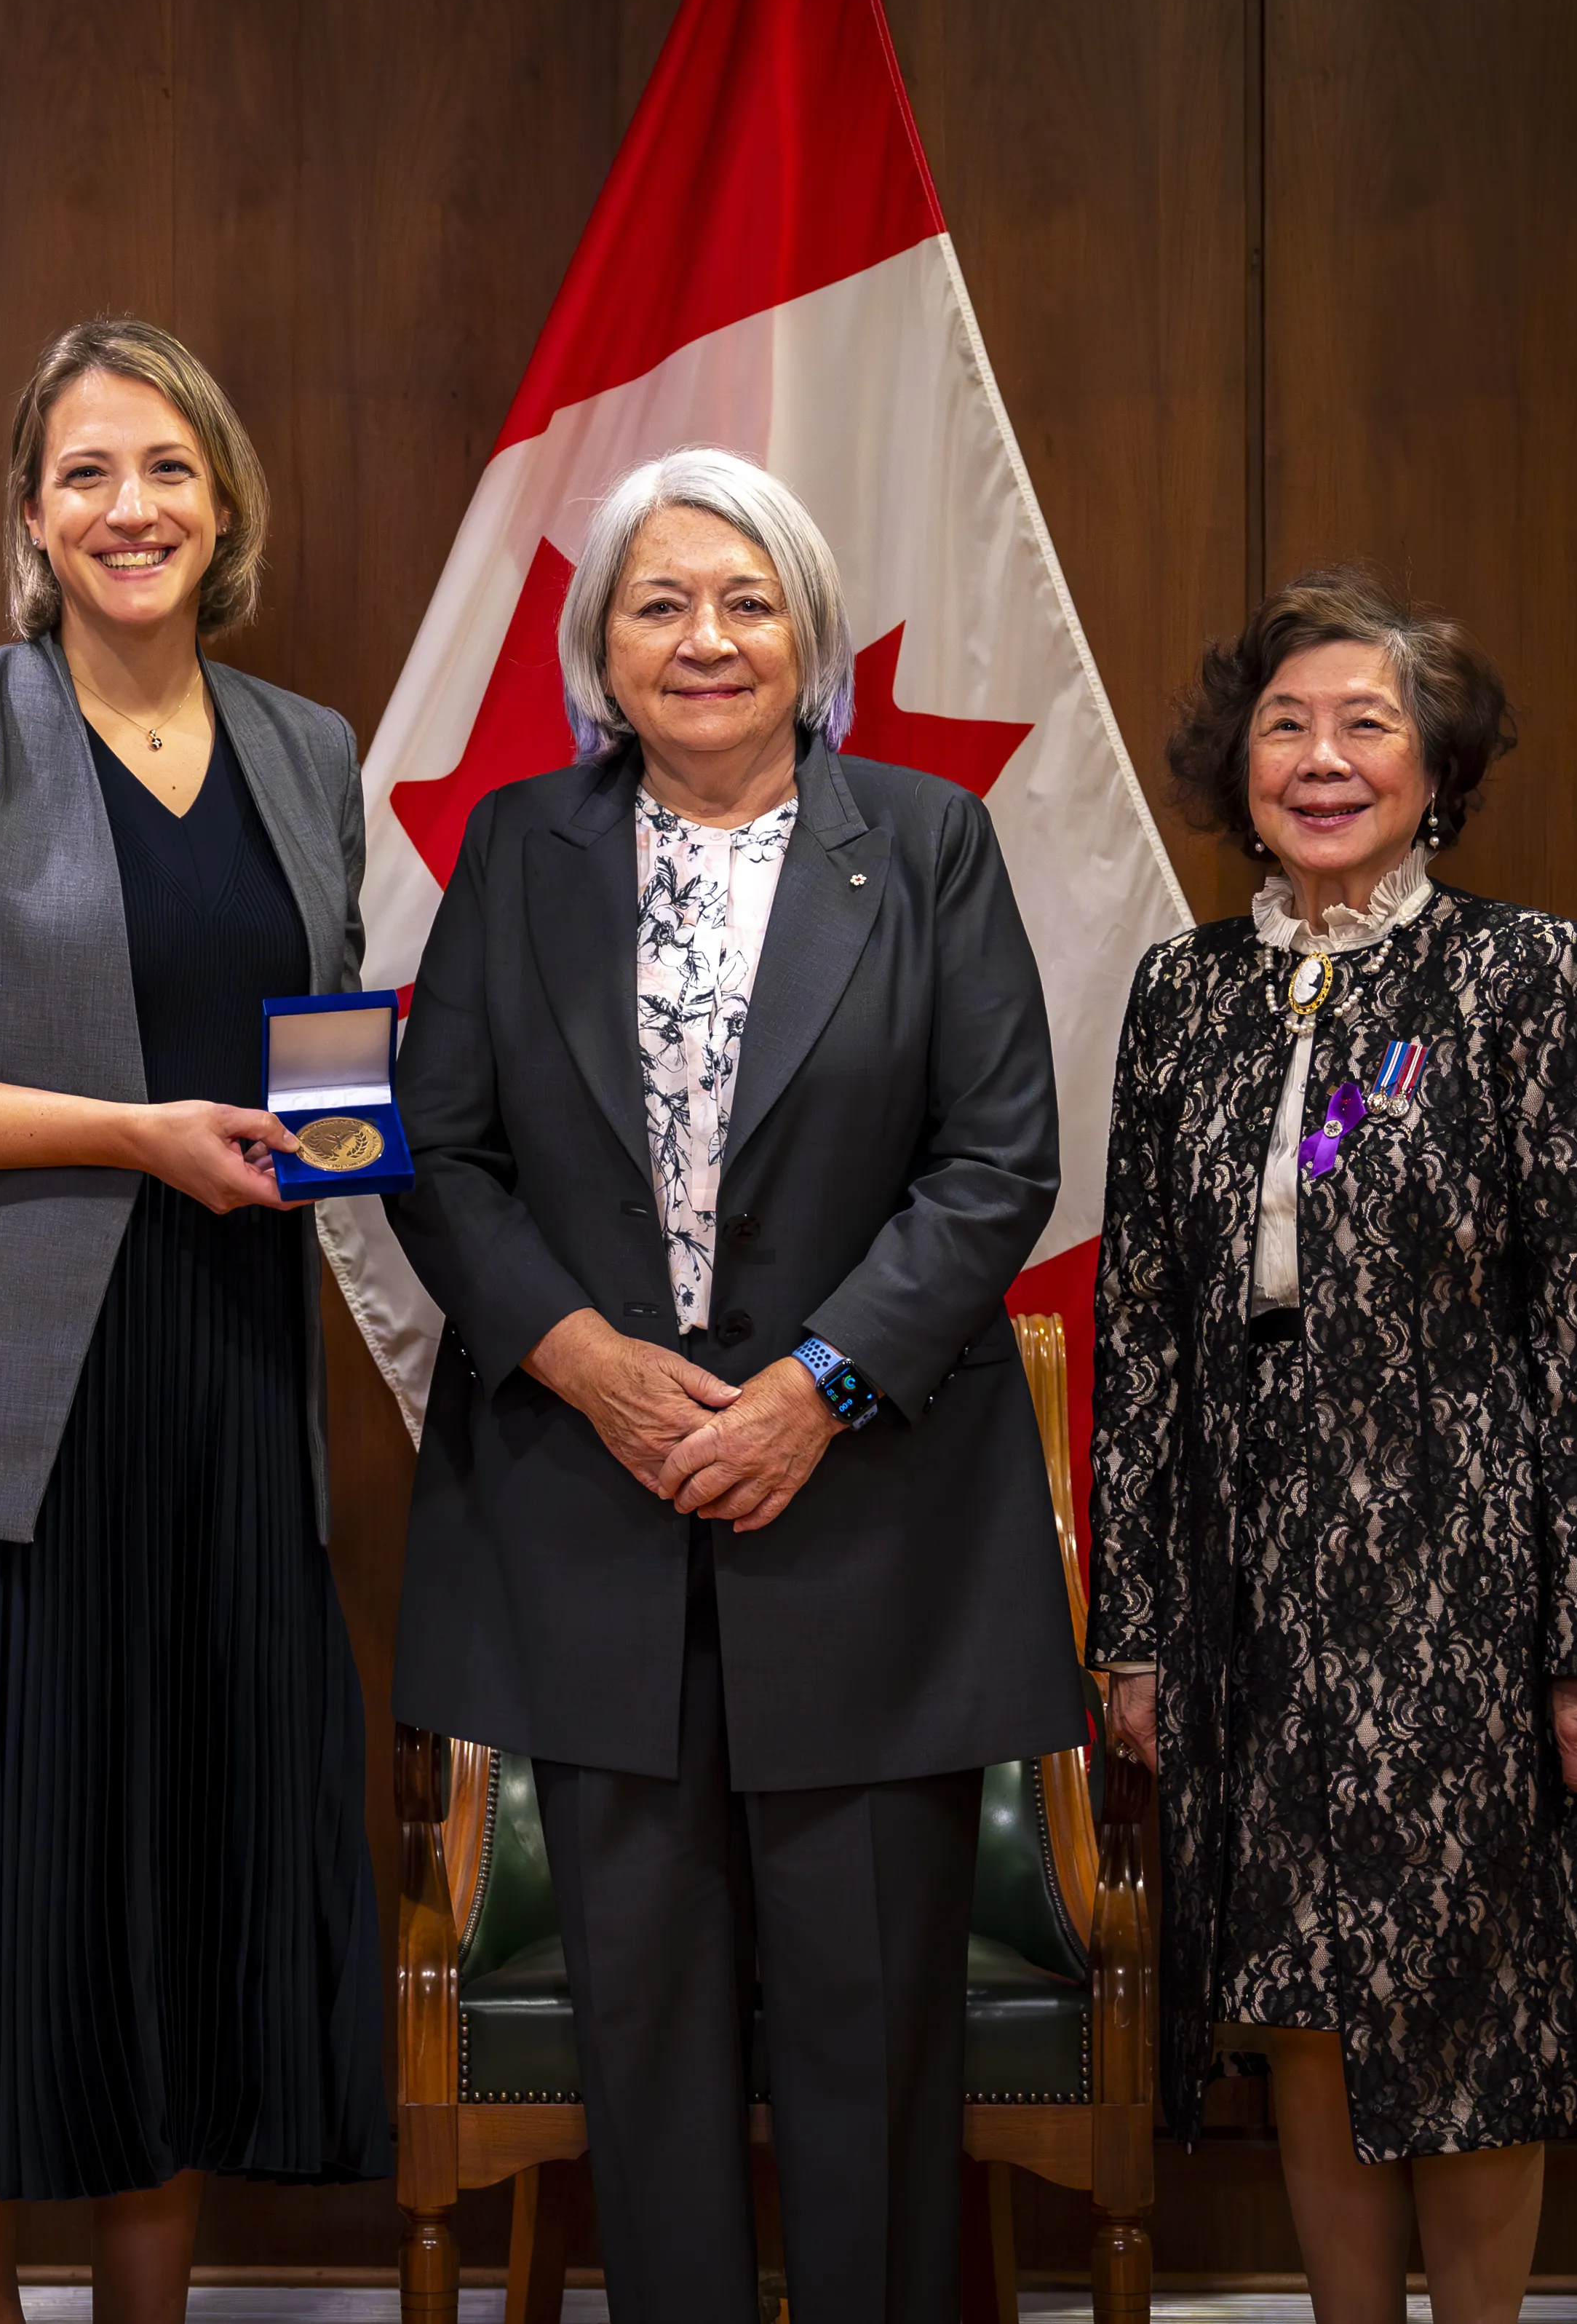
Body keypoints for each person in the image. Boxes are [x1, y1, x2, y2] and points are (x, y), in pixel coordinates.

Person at [386, 446, 1081, 2323]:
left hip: (865, 1532)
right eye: (656, 603)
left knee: (874, 2064)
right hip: (590, 1528)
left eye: (745, 599)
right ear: (596, 649)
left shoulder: (924, 843)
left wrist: (816, 1390)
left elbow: (992, 1161)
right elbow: (437, 1155)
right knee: (649, 2057)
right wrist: (586, 1363)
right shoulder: (516, 850)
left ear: (813, 635)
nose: (703, 638)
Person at [0, 317, 388, 2323]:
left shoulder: (306, 748)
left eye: (168, 471)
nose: (129, 508)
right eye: (86, 473)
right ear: (30, 518)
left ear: (225, 505)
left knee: (182, 1911)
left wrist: (344, 1134)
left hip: (227, 1388)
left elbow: (325, 1043)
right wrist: (129, 1133)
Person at [1089, 568, 1577, 2324]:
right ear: (1234, 767)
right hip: (1240, 1578)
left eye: (1364, 725)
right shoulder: (1180, 992)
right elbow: (1133, 1332)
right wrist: (1129, 1622)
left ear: (1434, 766)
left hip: (1461, 1573)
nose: (1319, 760)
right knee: (1297, 1993)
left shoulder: (1526, 975)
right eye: (1283, 726)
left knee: (1464, 2003)